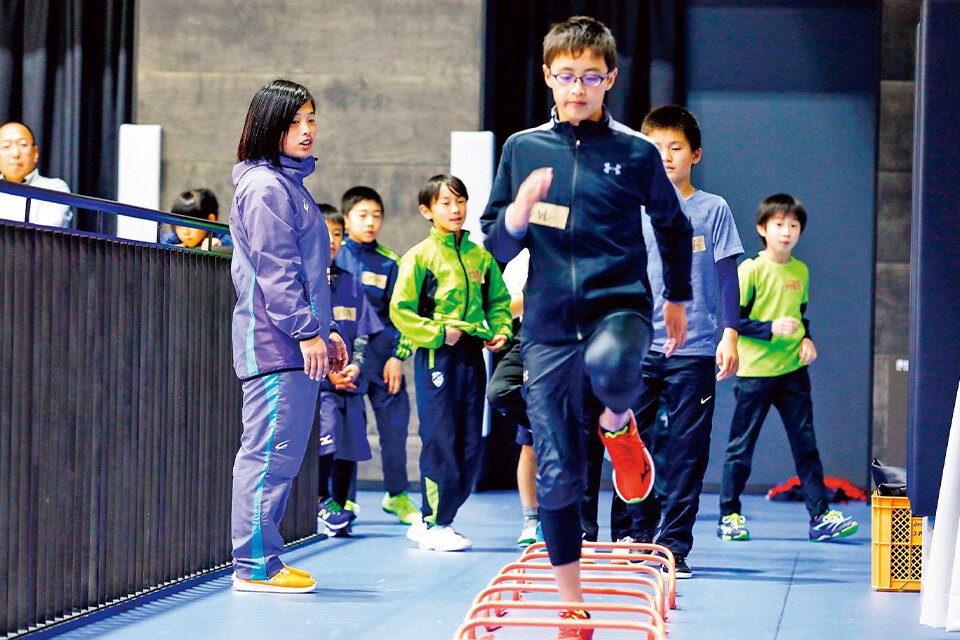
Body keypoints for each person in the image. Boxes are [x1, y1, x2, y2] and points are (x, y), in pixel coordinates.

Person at [480, 16, 692, 639]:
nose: (578, 88)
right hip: (546, 326)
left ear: (611, 80)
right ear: (547, 76)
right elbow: (492, 246)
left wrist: (676, 297)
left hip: (619, 306)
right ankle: (572, 604)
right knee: (557, 474)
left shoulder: (635, 152)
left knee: (612, 365)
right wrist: (517, 213)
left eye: (591, 77)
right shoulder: (522, 148)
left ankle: (618, 424)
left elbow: (674, 226)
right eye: (566, 76)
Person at [608, 105, 744, 579]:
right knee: (629, 446)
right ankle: (630, 536)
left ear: (695, 154)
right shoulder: (630, 205)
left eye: (675, 147)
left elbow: (728, 273)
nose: (665, 156)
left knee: (688, 452)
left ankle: (673, 548)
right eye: (655, 148)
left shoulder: (714, 209)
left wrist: (731, 331)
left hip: (695, 351)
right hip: (636, 347)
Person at [228, 79, 348, 594]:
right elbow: (276, 272)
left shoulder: (288, 184)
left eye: (311, 120)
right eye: (294, 122)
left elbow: (309, 271)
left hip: (295, 346)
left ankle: (262, 560)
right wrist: (306, 332)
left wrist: (329, 331)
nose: (306, 131)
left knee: (280, 454)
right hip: (275, 346)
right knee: (267, 454)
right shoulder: (264, 187)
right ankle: (254, 564)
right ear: (268, 127)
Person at [717, 193, 858, 543]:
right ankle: (729, 515)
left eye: (793, 226)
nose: (786, 232)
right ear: (762, 228)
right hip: (755, 374)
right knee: (741, 447)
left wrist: (806, 339)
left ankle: (820, 517)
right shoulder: (750, 269)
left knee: (806, 446)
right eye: (779, 224)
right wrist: (768, 328)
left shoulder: (801, 271)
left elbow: (801, 317)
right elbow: (733, 321)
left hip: (793, 372)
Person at [391, 174, 513, 552]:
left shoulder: (480, 256)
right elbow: (401, 310)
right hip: (436, 355)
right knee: (440, 437)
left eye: (460, 200)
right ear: (426, 211)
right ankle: (434, 521)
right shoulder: (419, 257)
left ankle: (444, 519)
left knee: (468, 440)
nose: (455, 209)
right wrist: (439, 334)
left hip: (472, 356)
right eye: (445, 203)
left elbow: (499, 301)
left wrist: (501, 331)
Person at [335, 186, 419, 525]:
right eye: (362, 215)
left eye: (377, 216)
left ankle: (397, 496)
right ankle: (346, 501)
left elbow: (405, 314)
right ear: (346, 219)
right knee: (349, 433)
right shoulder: (333, 258)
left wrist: (399, 356)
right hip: (347, 362)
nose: (371, 223)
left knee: (395, 432)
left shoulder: (390, 262)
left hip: (385, 362)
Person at [315, 204, 384, 537]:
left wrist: (355, 366)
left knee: (349, 444)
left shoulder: (351, 283)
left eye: (338, 234)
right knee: (325, 441)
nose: (331, 240)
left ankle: (339, 507)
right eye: (324, 232)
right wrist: (330, 373)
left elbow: (364, 332)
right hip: (321, 385)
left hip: (351, 386)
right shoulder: (305, 281)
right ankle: (320, 500)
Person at [486, 249, 540, 547]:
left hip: (570, 343)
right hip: (530, 341)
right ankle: (531, 520)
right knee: (529, 443)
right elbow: (507, 305)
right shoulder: (526, 256)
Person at [0, 121, 74, 228]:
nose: (15, 154)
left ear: (35, 153)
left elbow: (43, 237)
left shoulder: (55, 188)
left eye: (23, 145)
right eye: (6, 146)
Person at [160, 188, 233, 249]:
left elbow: (236, 242)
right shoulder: (172, 239)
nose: (185, 232)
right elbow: (160, 243)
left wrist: (220, 244)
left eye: (191, 224)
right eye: (179, 225)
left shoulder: (222, 235)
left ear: (210, 220)